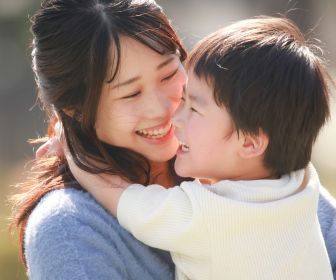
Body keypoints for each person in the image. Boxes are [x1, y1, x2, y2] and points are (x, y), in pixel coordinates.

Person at [9, 0, 336, 279]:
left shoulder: (249, 171)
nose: (167, 108)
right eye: (132, 93)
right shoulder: (71, 228)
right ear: (75, 110)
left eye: (168, 73)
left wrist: (75, 150)